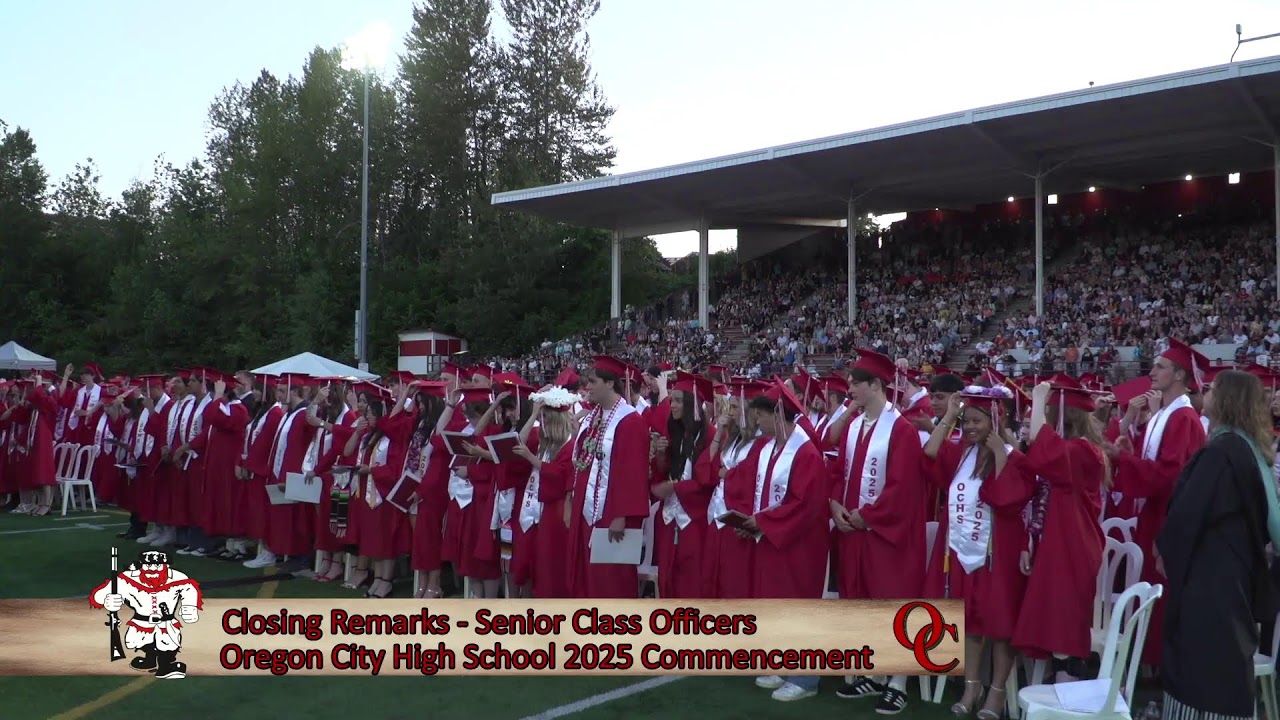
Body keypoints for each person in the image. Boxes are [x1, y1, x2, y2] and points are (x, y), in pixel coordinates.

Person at [1157, 369, 1280, 720]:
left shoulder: (1221, 453)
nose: (1204, 393)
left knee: (1203, 672)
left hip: (1211, 585)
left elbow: (1185, 517)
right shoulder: (1247, 449)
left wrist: (1165, 550)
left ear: (1227, 401)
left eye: (1211, 389)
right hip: (1231, 579)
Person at [828, 348, 926, 712]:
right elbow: (838, 473)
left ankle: (898, 679)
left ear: (875, 385)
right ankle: (874, 674)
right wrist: (835, 504)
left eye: (855, 382)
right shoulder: (854, 427)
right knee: (862, 600)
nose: (848, 387)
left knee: (889, 601)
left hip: (887, 534)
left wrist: (868, 516)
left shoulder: (900, 430)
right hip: (854, 530)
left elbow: (903, 488)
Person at [1107, 338, 1208, 667]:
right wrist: (1130, 449)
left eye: (1161, 367)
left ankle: (1156, 666)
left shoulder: (1183, 419)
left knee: (1160, 593)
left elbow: (1169, 474)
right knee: (1149, 589)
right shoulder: (1165, 415)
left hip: (1168, 516)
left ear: (1179, 375)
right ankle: (1146, 662)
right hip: (1154, 513)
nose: (1152, 372)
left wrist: (1124, 459)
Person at [1011, 378, 1108, 683]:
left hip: (1073, 547)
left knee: (1064, 623)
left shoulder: (1084, 452)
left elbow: (1045, 451)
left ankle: (1067, 686)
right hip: (1059, 543)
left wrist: (1038, 400)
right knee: (1053, 620)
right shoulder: (1075, 449)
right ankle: (1057, 681)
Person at [740, 381, 829, 703]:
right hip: (773, 538)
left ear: (778, 415)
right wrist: (749, 519)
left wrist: (762, 521)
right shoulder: (771, 448)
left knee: (798, 604)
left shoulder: (806, 453)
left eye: (761, 416)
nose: (757, 423)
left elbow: (805, 505)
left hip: (800, 544)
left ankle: (806, 679)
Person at [565, 356, 651, 599]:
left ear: (610, 383)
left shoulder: (630, 421)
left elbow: (633, 472)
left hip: (610, 514)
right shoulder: (593, 418)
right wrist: (570, 499)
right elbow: (580, 462)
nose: (587, 387)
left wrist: (621, 516)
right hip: (586, 512)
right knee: (586, 577)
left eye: (592, 382)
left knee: (610, 580)